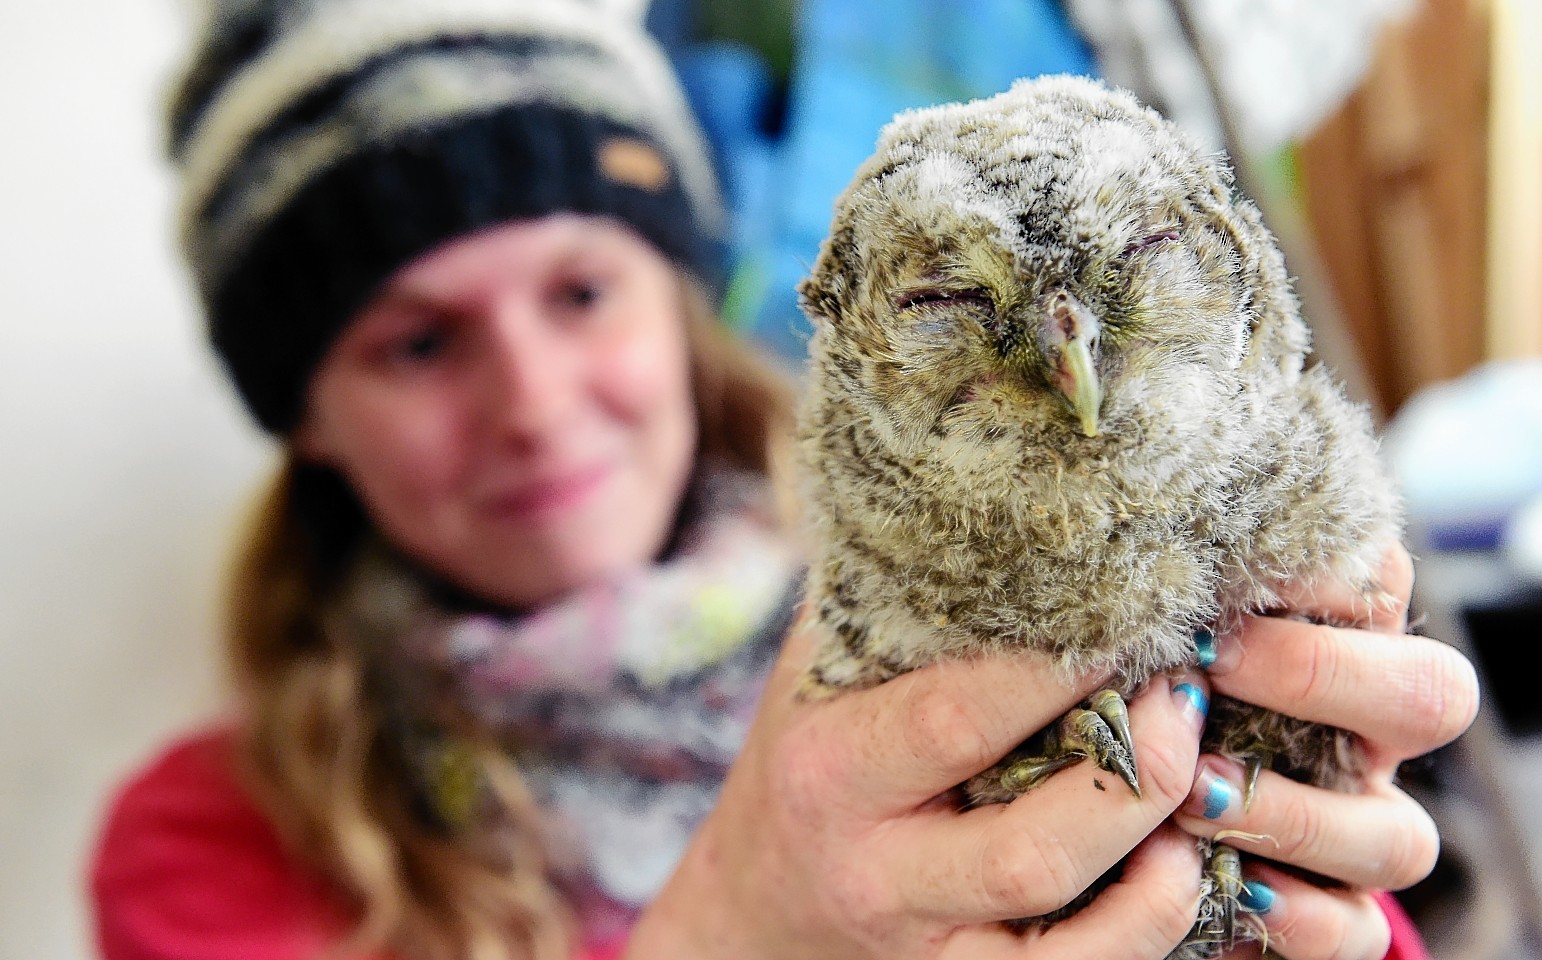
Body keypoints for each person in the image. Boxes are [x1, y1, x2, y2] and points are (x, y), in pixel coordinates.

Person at [90, 2, 1479, 959]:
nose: (533, 402)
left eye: (580, 292)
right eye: (417, 341)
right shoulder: (211, 843)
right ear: (308, 419)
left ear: (680, 302)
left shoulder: (1014, 569)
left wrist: (1303, 877)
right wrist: (733, 921)